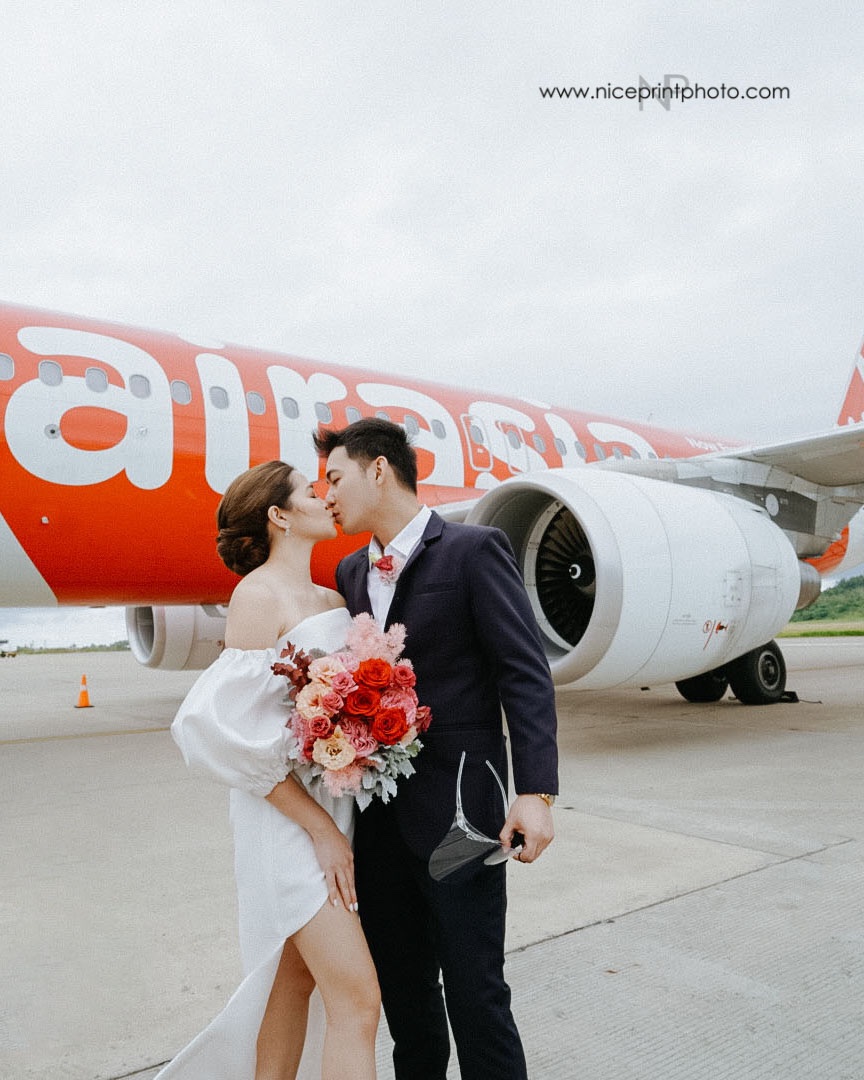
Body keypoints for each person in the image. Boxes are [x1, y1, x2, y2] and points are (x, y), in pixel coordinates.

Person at [313, 418, 559, 1080]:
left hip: (464, 816)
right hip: (381, 824)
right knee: (407, 1000)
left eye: (333, 478)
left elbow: (524, 674)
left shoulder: (475, 551)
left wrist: (534, 793)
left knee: (476, 993)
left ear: (378, 470)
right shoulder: (350, 570)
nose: (325, 493)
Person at [157, 461, 380, 1080]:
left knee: (293, 985)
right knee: (358, 1001)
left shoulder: (334, 598)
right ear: (280, 516)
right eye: (311, 492)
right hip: (287, 822)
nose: (325, 497)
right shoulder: (256, 597)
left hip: (333, 802)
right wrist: (321, 831)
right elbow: (216, 733)